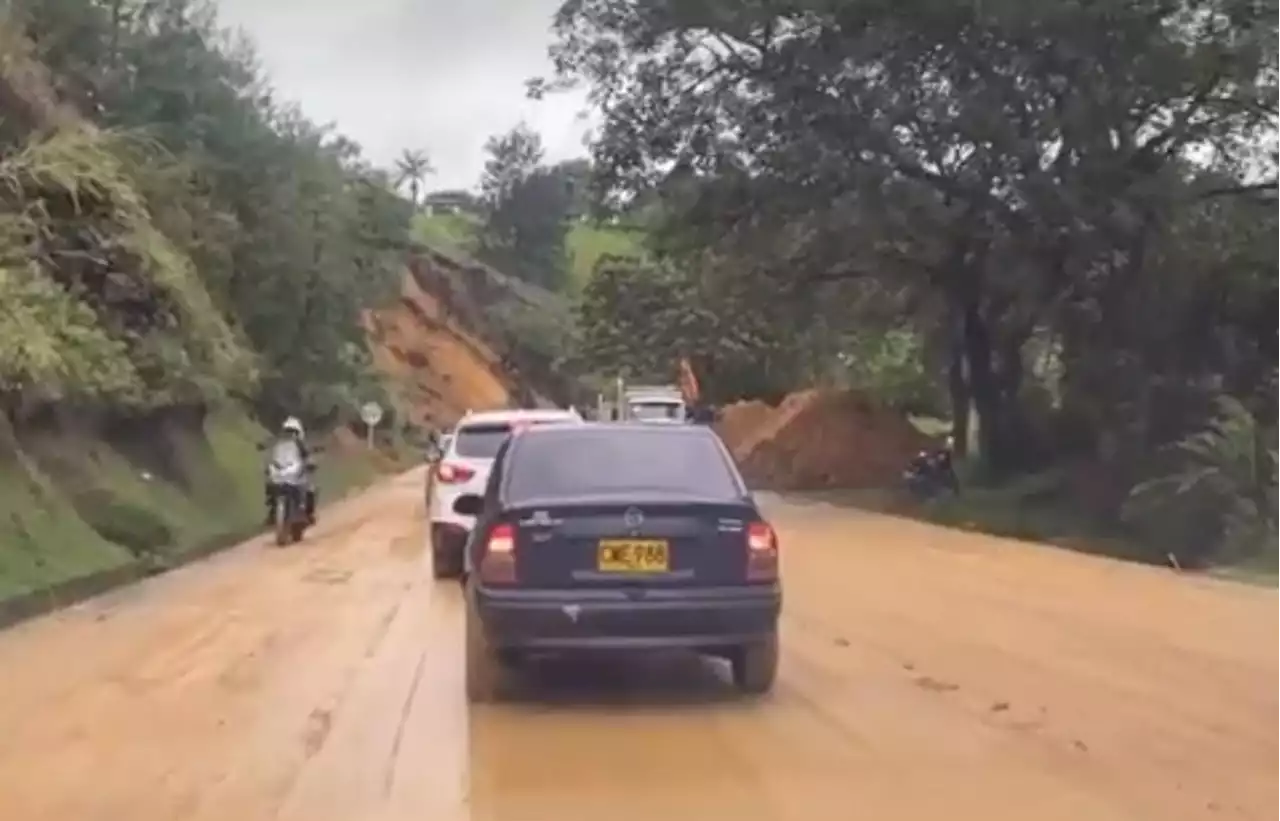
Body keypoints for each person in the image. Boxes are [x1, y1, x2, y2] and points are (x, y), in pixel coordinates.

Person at [265, 416, 317, 525]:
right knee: (270, 485)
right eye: (288, 431)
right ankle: (272, 510)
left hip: (297, 473)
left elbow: (307, 455)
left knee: (309, 489)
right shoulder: (279, 444)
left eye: (293, 431)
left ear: (299, 432)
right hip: (283, 470)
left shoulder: (301, 444)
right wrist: (270, 465)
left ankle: (306, 513)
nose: (290, 434)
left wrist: (309, 463)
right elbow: (274, 455)